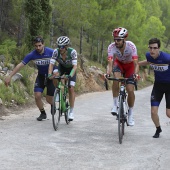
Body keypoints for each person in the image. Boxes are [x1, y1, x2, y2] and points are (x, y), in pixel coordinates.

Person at [4, 36, 56, 121]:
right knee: (37, 96)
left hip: (51, 77)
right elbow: (20, 65)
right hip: (41, 76)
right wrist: (10, 76)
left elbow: (61, 61)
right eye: (36, 46)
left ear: (43, 44)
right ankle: (43, 113)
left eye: (39, 45)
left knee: (48, 99)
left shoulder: (51, 52)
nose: (38, 48)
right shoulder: (32, 54)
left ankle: (52, 104)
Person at [106, 27, 139, 126]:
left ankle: (130, 114)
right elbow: (110, 63)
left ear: (124, 39)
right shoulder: (111, 47)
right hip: (119, 64)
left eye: (119, 40)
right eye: (115, 39)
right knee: (116, 78)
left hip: (130, 66)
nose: (116, 42)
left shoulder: (131, 46)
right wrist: (108, 73)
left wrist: (136, 74)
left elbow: (136, 64)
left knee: (130, 90)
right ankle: (115, 105)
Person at [139, 38, 170, 138]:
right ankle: (158, 129)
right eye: (150, 48)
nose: (152, 50)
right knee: (153, 112)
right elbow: (148, 62)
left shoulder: (167, 58)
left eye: (155, 48)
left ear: (159, 49)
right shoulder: (149, 56)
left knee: (168, 114)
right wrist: (137, 63)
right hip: (157, 86)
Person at [48, 36, 77, 121]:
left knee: (71, 88)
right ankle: (58, 91)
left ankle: (71, 111)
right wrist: (49, 74)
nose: (60, 48)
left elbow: (75, 67)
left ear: (67, 46)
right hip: (62, 67)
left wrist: (70, 75)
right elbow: (51, 64)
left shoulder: (72, 52)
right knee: (54, 75)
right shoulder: (56, 52)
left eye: (62, 46)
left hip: (71, 69)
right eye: (59, 46)